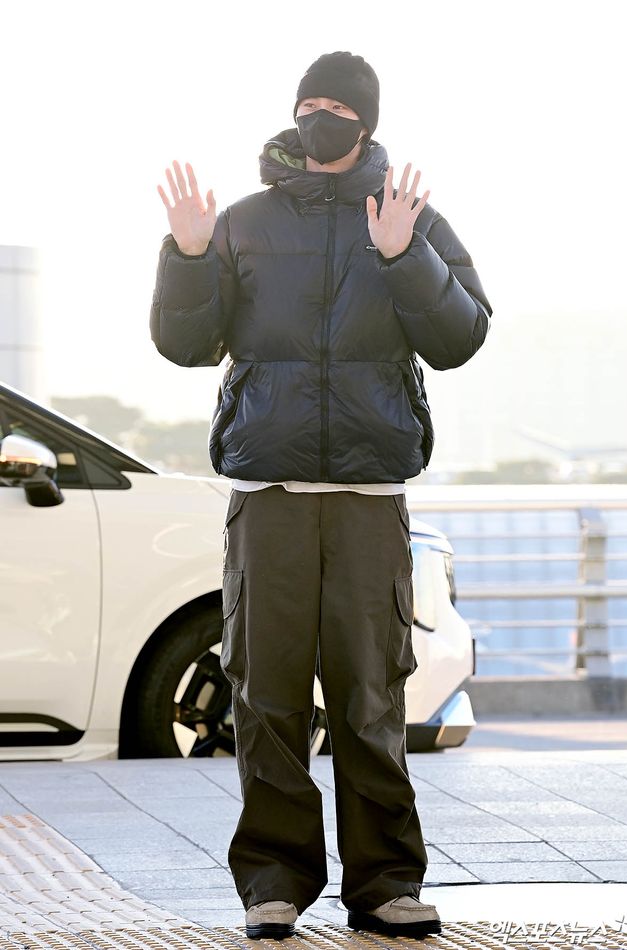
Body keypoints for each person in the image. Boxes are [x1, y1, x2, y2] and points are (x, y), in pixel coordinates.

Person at [150, 50, 492, 940]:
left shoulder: (411, 215)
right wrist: (190, 253)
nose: (317, 117)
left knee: (370, 697)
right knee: (265, 697)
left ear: (365, 123)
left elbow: (461, 337)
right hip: (268, 489)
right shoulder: (243, 220)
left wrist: (404, 256)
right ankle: (273, 884)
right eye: (307, 103)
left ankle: (385, 885)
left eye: (335, 107)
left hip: (370, 493)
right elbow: (185, 344)